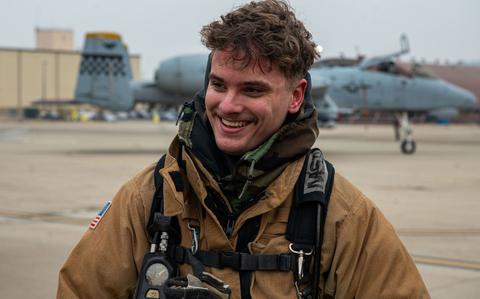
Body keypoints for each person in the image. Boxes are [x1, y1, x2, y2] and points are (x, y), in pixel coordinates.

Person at [57, 1, 430, 298]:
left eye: (253, 90)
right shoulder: (151, 196)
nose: (229, 105)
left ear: (296, 96)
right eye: (219, 85)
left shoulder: (340, 216)